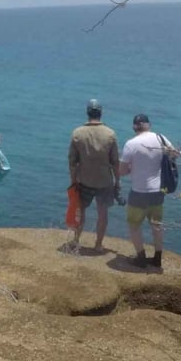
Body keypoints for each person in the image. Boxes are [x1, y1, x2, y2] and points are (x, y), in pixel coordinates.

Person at [67, 98, 120, 252]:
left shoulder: (78, 133)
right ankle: (98, 244)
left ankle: (76, 240)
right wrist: (117, 181)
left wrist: (73, 181)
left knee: (81, 211)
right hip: (104, 181)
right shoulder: (110, 134)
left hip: (84, 180)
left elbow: (72, 161)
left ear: (87, 113)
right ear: (101, 113)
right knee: (102, 213)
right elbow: (115, 161)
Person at [119, 112, 168, 270]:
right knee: (157, 225)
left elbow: (121, 170)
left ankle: (141, 258)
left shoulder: (131, 144)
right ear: (149, 125)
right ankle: (157, 258)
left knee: (134, 225)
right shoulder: (161, 138)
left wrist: (133, 168)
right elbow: (175, 155)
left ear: (134, 127)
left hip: (139, 192)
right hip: (158, 190)